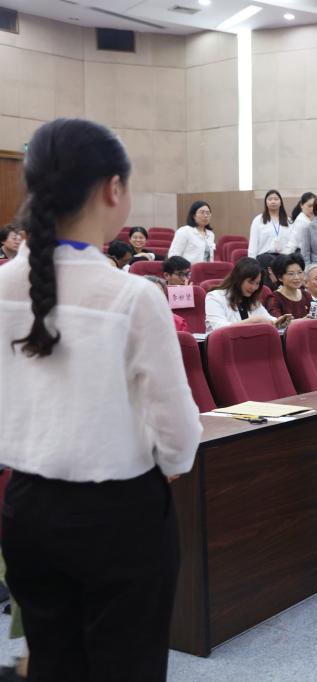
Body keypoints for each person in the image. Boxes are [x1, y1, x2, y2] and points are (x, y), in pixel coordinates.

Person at [0, 117, 201, 680]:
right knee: (126, 666)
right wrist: (171, 462)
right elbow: (178, 431)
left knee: (53, 662)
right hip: (120, 514)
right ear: (114, 188)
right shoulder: (132, 295)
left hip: (26, 507)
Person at [205, 256, 290, 332]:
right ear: (238, 278)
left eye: (257, 283)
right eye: (250, 282)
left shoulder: (253, 302)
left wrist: (280, 322)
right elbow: (218, 328)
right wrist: (251, 321)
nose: (254, 287)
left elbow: (269, 319)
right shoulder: (214, 297)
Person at [265, 253, 313, 320]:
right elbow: (278, 323)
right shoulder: (274, 299)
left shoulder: (306, 295)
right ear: (280, 277)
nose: (297, 277)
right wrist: (302, 321)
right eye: (291, 274)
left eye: (299, 272)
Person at [248, 189, 291, 258]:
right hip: (265, 256)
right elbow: (253, 243)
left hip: (284, 257)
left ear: (281, 202)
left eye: (276, 199)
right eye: (270, 199)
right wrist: (252, 260)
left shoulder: (289, 221)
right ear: (266, 203)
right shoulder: (258, 220)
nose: (273, 201)